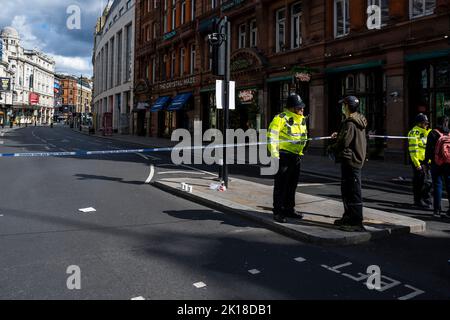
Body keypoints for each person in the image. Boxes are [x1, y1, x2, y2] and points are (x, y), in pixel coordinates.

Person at [328, 96, 367, 232]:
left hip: (351, 160)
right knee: (347, 190)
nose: (342, 108)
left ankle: (356, 222)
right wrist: (339, 135)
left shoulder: (350, 122)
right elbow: (349, 138)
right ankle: (348, 217)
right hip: (352, 159)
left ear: (347, 106)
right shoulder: (358, 119)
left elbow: (345, 142)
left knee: (353, 192)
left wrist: (331, 147)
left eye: (343, 105)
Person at [268, 93, 308, 223]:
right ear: (291, 107)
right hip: (283, 156)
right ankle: (278, 211)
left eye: (302, 107)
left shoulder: (301, 119)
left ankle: (289, 209)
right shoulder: (280, 118)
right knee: (281, 185)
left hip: (296, 157)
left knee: (292, 185)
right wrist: (275, 155)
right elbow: (272, 137)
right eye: (299, 107)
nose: (302, 110)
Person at [424, 116, 450, 218]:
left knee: (437, 186)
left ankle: (437, 210)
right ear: (447, 123)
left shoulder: (433, 133)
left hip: (436, 163)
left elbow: (428, 149)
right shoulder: (449, 133)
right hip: (448, 163)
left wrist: (426, 162)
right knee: (449, 186)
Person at [408, 114, 432, 209]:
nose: (426, 125)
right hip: (419, 161)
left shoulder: (427, 132)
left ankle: (426, 199)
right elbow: (413, 150)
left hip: (427, 161)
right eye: (425, 123)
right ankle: (418, 201)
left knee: (429, 182)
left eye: (427, 123)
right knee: (419, 182)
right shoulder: (414, 132)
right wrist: (417, 164)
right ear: (419, 123)